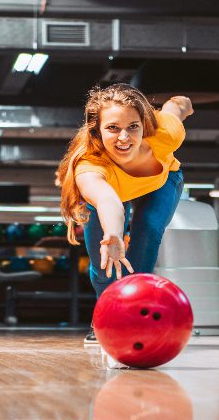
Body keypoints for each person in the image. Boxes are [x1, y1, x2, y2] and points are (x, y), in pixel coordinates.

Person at [56, 84, 194, 344]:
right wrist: (113, 234)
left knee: (149, 228)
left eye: (133, 127)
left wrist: (183, 101)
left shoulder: (165, 133)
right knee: (104, 261)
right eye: (112, 128)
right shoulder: (89, 165)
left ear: (144, 124)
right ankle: (106, 314)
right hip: (113, 193)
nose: (124, 137)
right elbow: (108, 200)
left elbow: (175, 108)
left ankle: (132, 315)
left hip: (161, 182)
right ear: (96, 129)